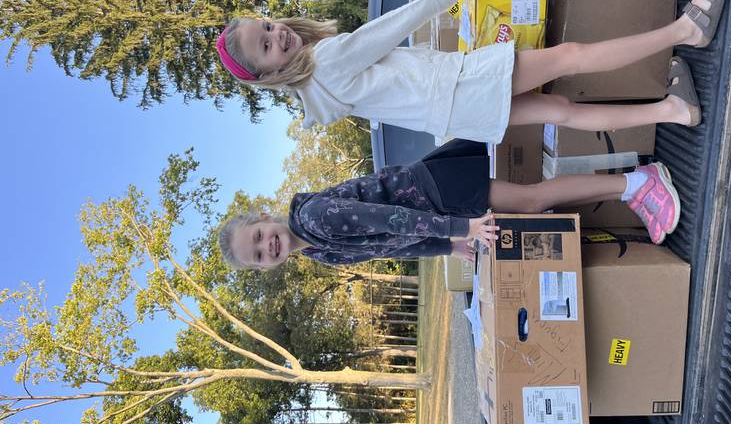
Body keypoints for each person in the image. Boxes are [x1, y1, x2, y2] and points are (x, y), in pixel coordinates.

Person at [216, 0, 725, 144]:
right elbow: (389, 29)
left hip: (460, 114)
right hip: (460, 85)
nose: (277, 33)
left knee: (560, 111)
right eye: (266, 45)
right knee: (569, 56)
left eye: (267, 24)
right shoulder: (324, 62)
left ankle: (673, 111)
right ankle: (686, 30)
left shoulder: (320, 95)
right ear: (267, 74)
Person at [218, 139, 681, 269]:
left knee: (534, 199)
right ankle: (630, 187)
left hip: (432, 192)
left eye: (258, 236)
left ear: (263, 218)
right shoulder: (320, 252)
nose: (268, 246)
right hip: (436, 210)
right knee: (532, 203)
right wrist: (447, 248)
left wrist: (461, 231)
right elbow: (391, 245)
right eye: (258, 255)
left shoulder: (314, 218)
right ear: (265, 267)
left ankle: (636, 183)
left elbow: (392, 216)